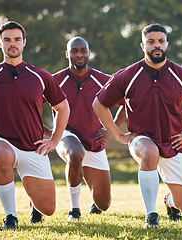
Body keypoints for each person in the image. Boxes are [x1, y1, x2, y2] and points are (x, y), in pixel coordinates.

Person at [93, 23, 182, 228]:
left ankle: (170, 201)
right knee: (150, 152)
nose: (156, 45)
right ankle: (151, 215)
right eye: (151, 42)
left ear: (167, 44)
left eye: (160, 41)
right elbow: (99, 104)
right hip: (142, 139)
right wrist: (119, 135)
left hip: (173, 142)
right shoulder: (127, 75)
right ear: (143, 46)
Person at [0, 21, 69, 230]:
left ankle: (34, 202)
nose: (12, 44)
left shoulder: (41, 76)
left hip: (33, 146)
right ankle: (10, 217)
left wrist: (54, 140)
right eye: (7, 39)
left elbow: (63, 108)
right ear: (0, 43)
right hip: (0, 141)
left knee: (48, 209)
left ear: (24, 43)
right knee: (0, 154)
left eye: (17, 39)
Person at [42, 37, 113, 221]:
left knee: (103, 204)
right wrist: (49, 132)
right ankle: (74, 209)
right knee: (75, 153)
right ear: (67, 54)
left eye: (83, 50)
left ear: (89, 53)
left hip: (95, 141)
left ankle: (93, 199)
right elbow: (29, 104)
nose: (79, 54)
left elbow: (129, 100)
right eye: (74, 51)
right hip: (67, 136)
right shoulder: (55, 80)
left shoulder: (103, 80)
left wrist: (111, 130)